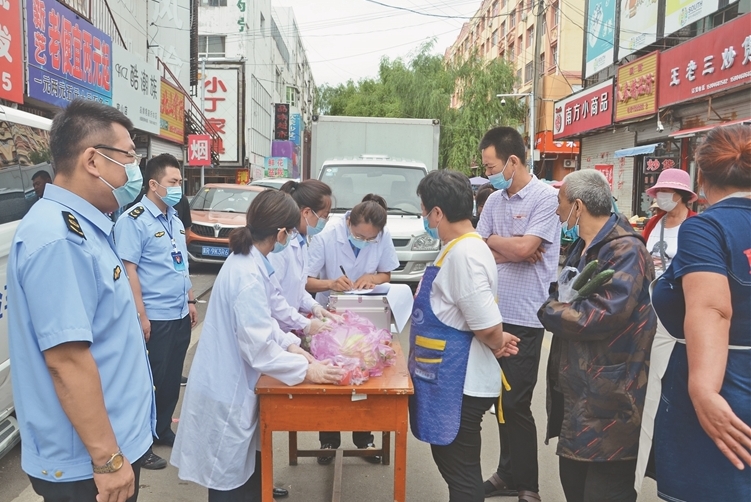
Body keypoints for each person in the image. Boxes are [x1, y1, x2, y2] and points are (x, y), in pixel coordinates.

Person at [7, 99, 155, 502]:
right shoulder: (59, 238)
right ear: (92, 160)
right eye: (129, 156)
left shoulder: (87, 227)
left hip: (109, 446)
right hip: (88, 463)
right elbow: (67, 360)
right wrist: (108, 460)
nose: (134, 170)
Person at [171, 190, 343, 502]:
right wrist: (308, 369)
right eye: (290, 233)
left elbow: (269, 312)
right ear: (281, 233)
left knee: (245, 477)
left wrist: (293, 345)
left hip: (235, 382)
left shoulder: (253, 261)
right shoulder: (248, 274)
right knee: (229, 485)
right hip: (227, 390)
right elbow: (260, 348)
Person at [639, 125, 751, 501]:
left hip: (724, 391)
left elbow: (713, 308)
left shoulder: (705, 228)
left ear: (700, 179)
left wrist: (704, 392)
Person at [538, 169, 656, 502]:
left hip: (611, 398)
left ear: (578, 206)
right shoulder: (583, 245)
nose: (558, 211)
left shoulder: (625, 250)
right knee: (573, 482)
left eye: (560, 202)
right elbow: (563, 292)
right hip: (579, 393)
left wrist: (549, 311)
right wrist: (555, 305)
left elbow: (599, 315)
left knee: (604, 490)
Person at [410, 170, 519, 501]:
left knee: (461, 474)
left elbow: (486, 325)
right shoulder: (457, 248)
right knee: (456, 469)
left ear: (437, 212)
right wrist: (496, 338)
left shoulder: (465, 254)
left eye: (423, 210)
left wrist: (497, 340)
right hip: (449, 378)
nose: (423, 217)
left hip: (459, 383)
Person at [477, 127, 560, 502]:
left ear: (513, 161)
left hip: (526, 316)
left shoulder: (546, 198)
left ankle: (529, 484)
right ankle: (506, 473)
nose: (488, 173)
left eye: (491, 166)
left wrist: (506, 245)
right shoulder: (495, 200)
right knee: (498, 401)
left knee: (515, 402)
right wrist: (511, 247)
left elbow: (528, 249)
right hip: (494, 314)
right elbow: (479, 249)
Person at [114, 153, 198, 469]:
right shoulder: (133, 220)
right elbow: (129, 270)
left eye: (180, 182)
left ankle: (162, 428)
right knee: (148, 381)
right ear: (153, 184)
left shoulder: (174, 218)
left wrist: (190, 299)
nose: (178, 188)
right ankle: (141, 445)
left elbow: (181, 263)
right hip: (155, 316)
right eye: (172, 182)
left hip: (178, 313)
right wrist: (141, 315)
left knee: (171, 377)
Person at [306, 193, 399, 464]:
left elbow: (387, 273)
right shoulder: (326, 236)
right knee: (333, 377)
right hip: (331, 315)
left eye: (371, 239)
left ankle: (364, 438)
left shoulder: (382, 236)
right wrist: (331, 283)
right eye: (359, 236)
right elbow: (306, 281)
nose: (366, 241)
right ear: (349, 223)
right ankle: (328, 440)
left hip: (366, 317)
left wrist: (373, 277)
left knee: (364, 375)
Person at [268, 180, 341, 335]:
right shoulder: (281, 245)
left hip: (284, 329)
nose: (325, 221)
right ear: (306, 212)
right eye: (324, 216)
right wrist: (305, 324)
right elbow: (273, 298)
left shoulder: (300, 241)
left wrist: (314, 307)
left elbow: (298, 291)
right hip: (273, 330)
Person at [641, 168, 697, 277]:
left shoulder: (696, 224)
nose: (660, 195)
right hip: (650, 285)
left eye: (665, 191)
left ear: (681, 194)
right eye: (659, 191)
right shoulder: (653, 222)